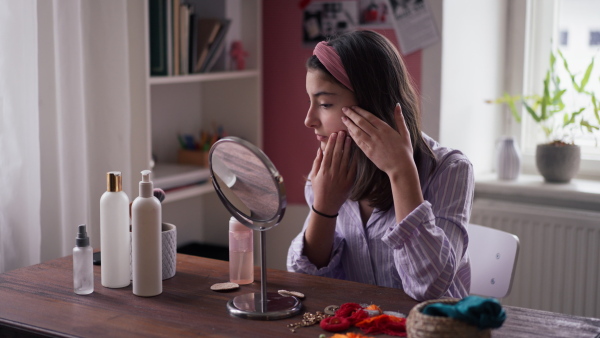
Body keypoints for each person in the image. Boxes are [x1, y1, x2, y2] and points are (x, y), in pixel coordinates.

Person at [286, 30, 474, 301]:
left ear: (371, 106)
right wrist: (324, 209)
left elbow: (431, 286)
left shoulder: (450, 170)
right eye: (311, 101)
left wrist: (400, 171)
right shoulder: (330, 174)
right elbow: (305, 281)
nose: (309, 120)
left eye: (325, 103)